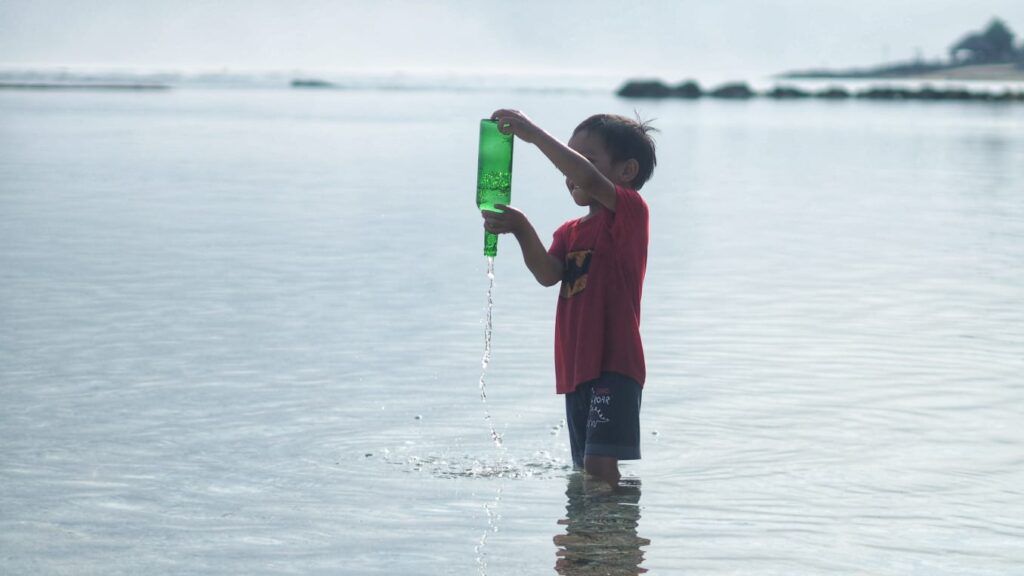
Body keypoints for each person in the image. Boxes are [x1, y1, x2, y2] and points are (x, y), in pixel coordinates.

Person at [481, 109, 656, 489]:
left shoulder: (630, 213)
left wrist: (532, 134)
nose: (571, 172)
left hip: (615, 364)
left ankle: (617, 538)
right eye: (570, 159)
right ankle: (588, 545)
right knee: (583, 467)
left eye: (583, 158)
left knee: (599, 464)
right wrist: (521, 228)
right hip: (577, 368)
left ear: (627, 171)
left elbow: (589, 179)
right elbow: (547, 274)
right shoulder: (570, 232)